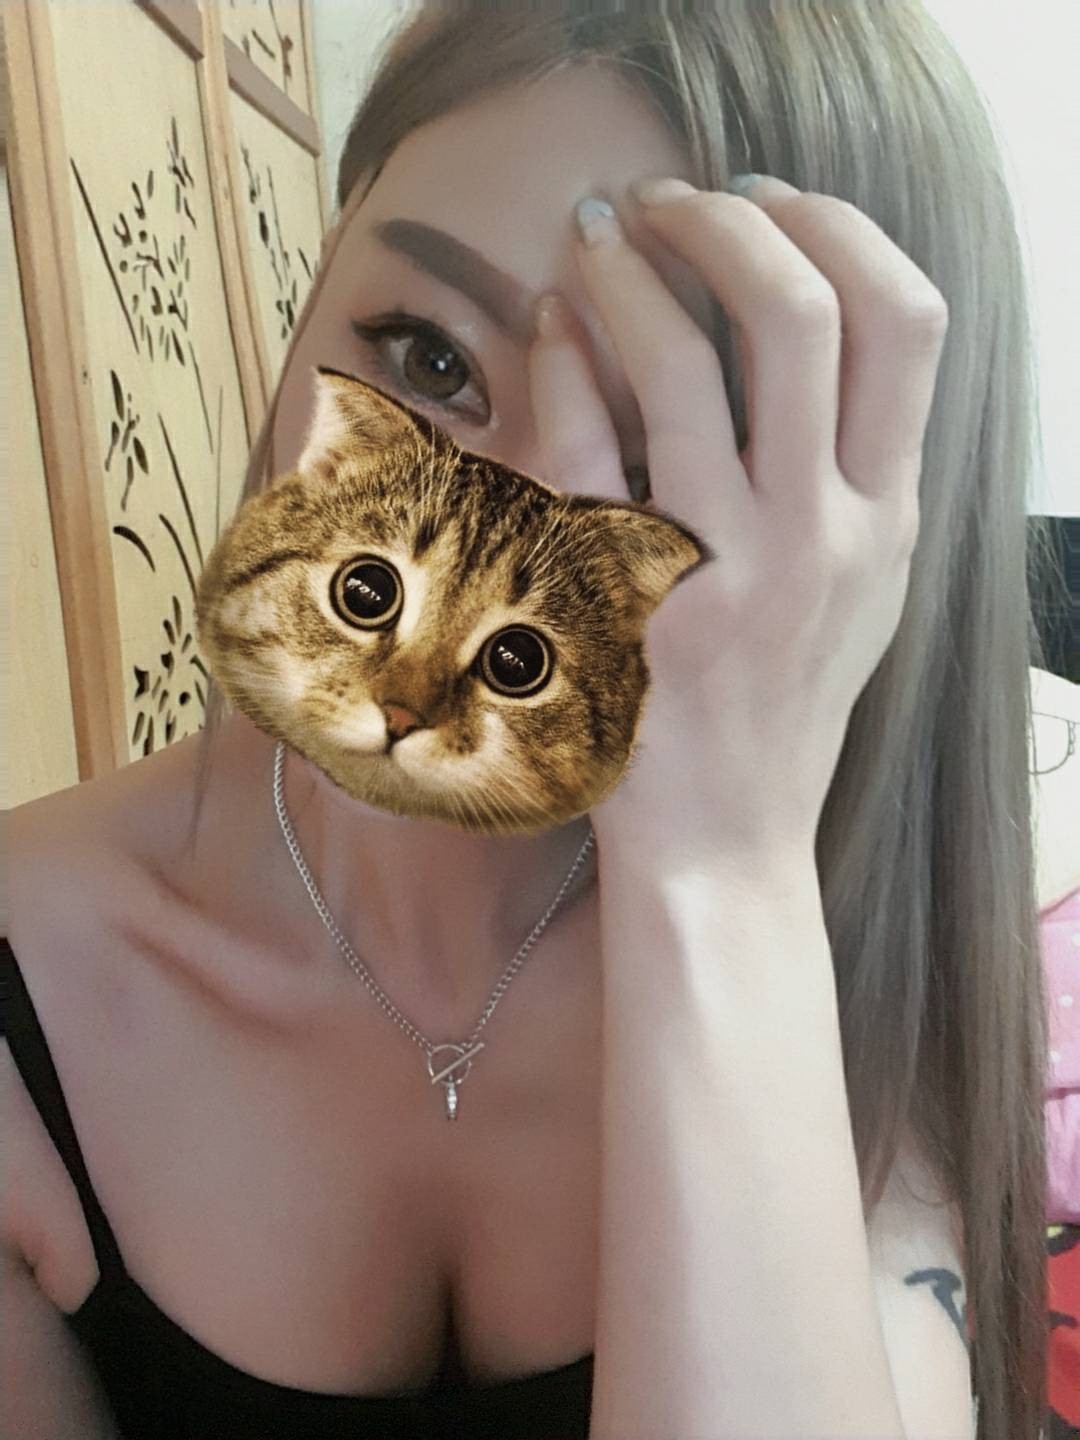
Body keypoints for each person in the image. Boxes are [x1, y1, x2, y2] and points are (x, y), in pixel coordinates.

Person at [2, 6, 1060, 1439]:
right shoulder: (32, 971)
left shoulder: (857, 956)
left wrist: (717, 878)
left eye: (663, 465)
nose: (447, 602)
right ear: (323, 271)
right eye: (429, 357)